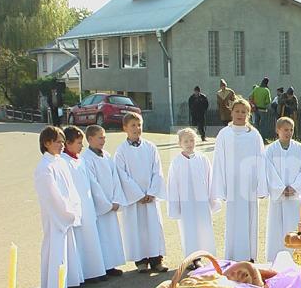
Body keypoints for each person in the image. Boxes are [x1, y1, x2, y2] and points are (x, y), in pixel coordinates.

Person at [212, 97, 268, 261]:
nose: (240, 114)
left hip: (249, 185)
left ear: (248, 114)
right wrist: (220, 188)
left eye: (244, 112)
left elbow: (261, 160)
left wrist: (261, 186)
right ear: (232, 112)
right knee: (234, 220)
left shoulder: (254, 135)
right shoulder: (224, 134)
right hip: (232, 184)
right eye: (237, 111)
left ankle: (249, 256)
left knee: (250, 220)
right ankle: (232, 255)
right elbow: (219, 160)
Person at [114, 112, 168, 273]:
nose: (137, 128)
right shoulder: (121, 151)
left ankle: (156, 260)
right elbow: (121, 175)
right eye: (133, 125)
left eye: (139, 125)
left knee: (153, 227)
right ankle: (141, 261)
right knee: (137, 229)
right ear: (125, 128)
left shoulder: (150, 147)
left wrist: (152, 192)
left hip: (150, 197)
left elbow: (157, 170)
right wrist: (137, 194)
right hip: (135, 199)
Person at [34, 126, 84, 288]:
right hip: (55, 215)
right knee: (55, 248)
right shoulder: (44, 167)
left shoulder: (60, 162)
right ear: (46, 143)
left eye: (63, 142)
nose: (62, 145)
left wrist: (73, 207)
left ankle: (68, 282)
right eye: (57, 142)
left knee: (68, 249)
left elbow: (70, 188)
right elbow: (50, 194)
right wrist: (64, 212)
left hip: (67, 211)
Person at [61, 126, 107, 282]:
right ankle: (84, 274)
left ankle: (94, 271)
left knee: (91, 238)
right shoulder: (64, 161)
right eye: (79, 143)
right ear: (68, 143)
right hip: (76, 206)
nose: (82, 146)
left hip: (87, 205)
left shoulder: (80, 159)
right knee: (81, 241)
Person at [167, 128, 219, 263]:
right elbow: (172, 184)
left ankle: (205, 257)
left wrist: (212, 199)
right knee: (189, 230)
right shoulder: (176, 162)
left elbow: (210, 179)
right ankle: (191, 259)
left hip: (202, 202)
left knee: (203, 228)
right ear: (180, 143)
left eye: (192, 140)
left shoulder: (203, 159)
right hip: (186, 203)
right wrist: (175, 205)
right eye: (186, 141)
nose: (189, 144)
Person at [82, 125, 126, 277]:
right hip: (101, 207)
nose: (103, 140)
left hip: (111, 202)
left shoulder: (107, 155)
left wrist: (116, 199)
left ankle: (111, 264)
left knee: (111, 235)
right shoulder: (86, 159)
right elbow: (93, 184)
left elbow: (115, 178)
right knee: (101, 237)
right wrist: (106, 204)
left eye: (104, 137)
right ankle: (102, 267)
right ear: (90, 139)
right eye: (100, 137)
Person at [265, 117, 301, 261]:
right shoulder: (270, 150)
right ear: (277, 130)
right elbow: (268, 169)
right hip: (278, 198)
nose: (289, 133)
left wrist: (296, 187)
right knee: (277, 229)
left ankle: (298, 257)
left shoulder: (300, 149)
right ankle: (277, 258)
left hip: (295, 198)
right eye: (285, 130)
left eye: (291, 130)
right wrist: (280, 188)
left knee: (296, 225)